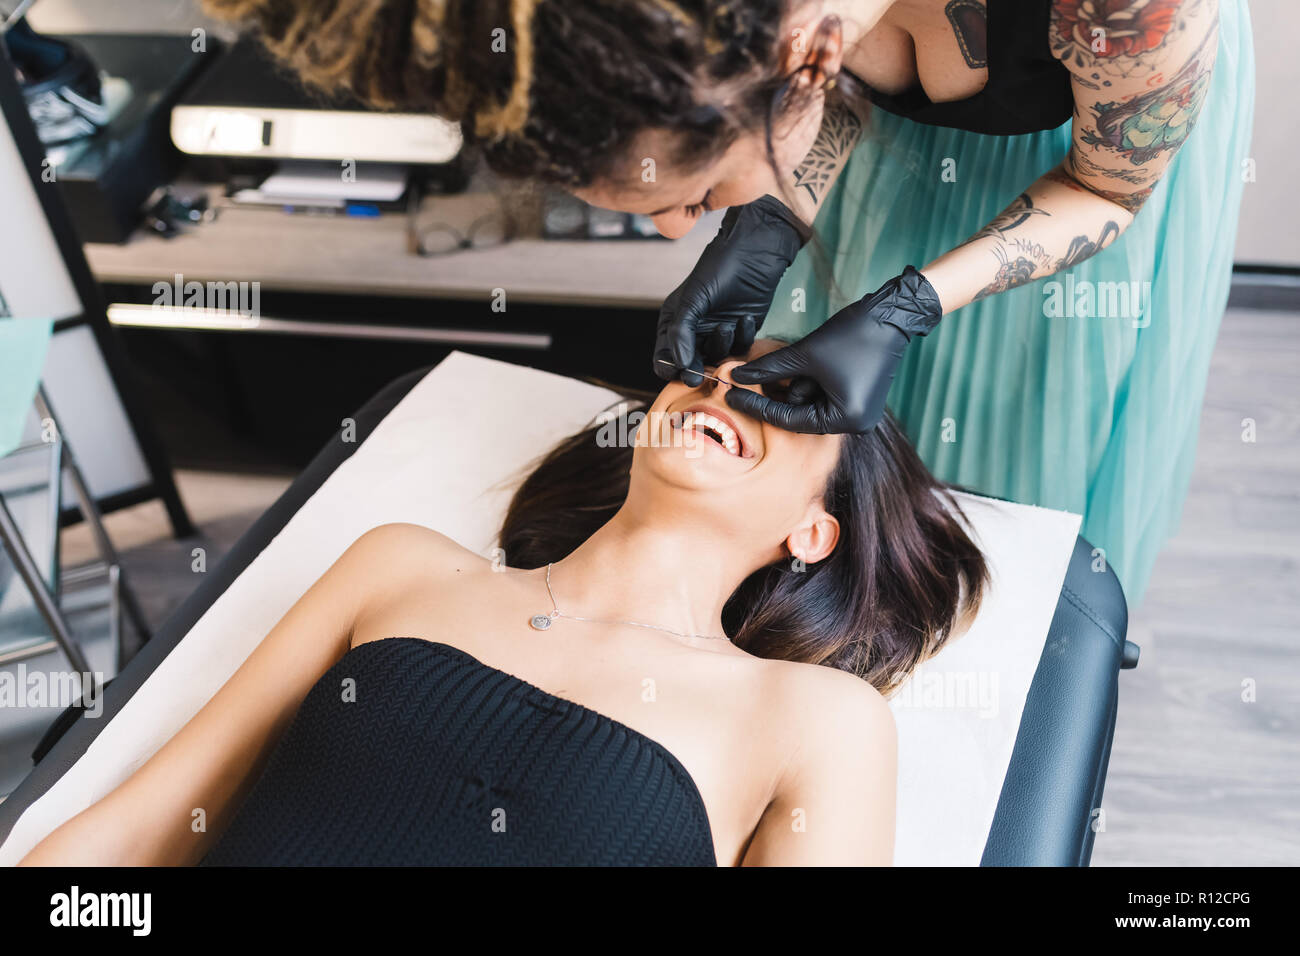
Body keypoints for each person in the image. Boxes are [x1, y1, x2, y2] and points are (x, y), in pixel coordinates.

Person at [202, 0, 1253, 605]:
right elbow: (833, 101)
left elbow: (1110, 183)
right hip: (862, 135)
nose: (677, 235)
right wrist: (768, 222)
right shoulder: (750, 41)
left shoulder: (1127, 8)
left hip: (1087, 154)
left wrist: (915, 302)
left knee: (1030, 439)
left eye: (693, 201)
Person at [19, 341, 987, 866]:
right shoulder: (401, 568)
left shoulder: (812, 716)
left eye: (794, 396)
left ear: (815, 532)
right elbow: (150, 824)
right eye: (719, 368)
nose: (732, 386)